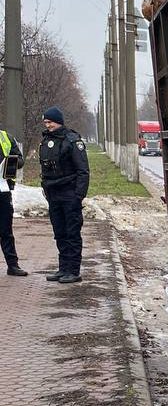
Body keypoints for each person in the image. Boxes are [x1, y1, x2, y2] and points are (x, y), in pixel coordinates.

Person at [39, 106, 89, 284]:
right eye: (45, 122)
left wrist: (78, 196)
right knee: (59, 233)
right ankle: (63, 269)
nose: (48, 125)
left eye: (50, 122)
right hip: (54, 195)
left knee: (72, 233)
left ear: (58, 121)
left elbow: (83, 171)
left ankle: (73, 271)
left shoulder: (72, 140)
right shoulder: (46, 141)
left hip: (70, 194)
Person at [0, 124, 28, 276]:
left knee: (6, 230)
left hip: (3, 190)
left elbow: (21, 160)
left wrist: (11, 163)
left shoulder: (5, 137)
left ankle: (13, 265)